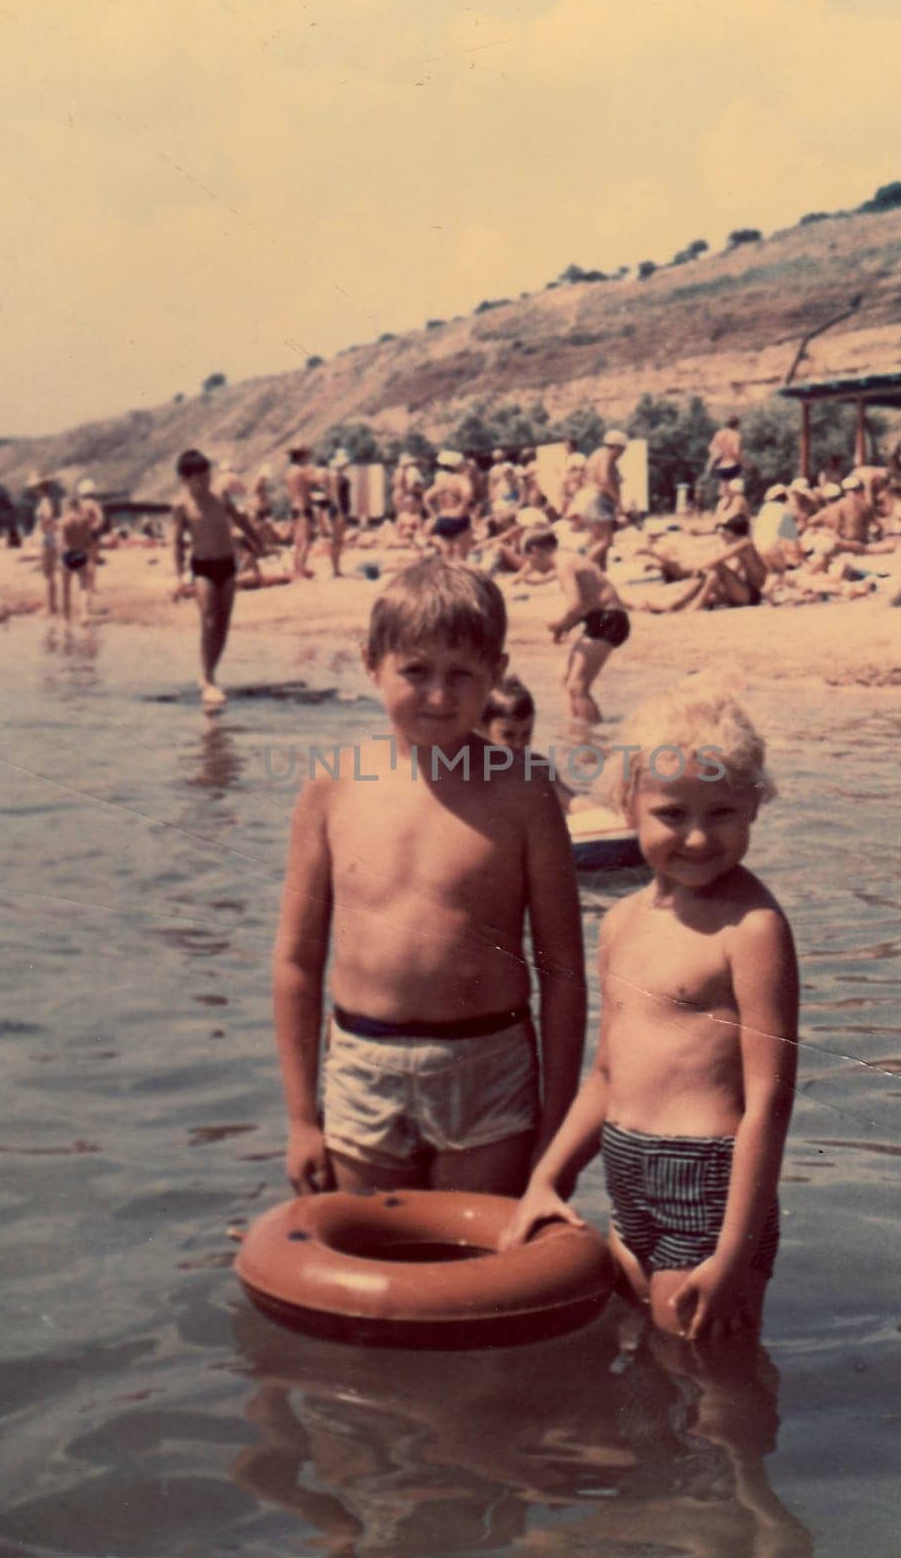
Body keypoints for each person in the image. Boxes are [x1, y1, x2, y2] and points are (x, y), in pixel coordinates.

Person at [273, 558, 586, 1198]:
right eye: (416, 671)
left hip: (488, 1065)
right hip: (363, 1065)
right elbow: (297, 962)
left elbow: (562, 971)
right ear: (372, 663)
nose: (439, 696)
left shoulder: (525, 795)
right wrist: (302, 1119)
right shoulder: (332, 787)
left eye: (461, 675)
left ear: (496, 673)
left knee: (480, 1268)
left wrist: (558, 1123)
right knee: (375, 1273)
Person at [504, 685, 797, 1343]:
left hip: (711, 1186)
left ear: (754, 804)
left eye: (721, 812)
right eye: (671, 813)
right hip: (625, 1173)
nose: (697, 836)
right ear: (625, 806)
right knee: (645, 1362)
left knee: (708, 1374)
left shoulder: (749, 930)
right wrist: (547, 1178)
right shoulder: (619, 924)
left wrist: (732, 1253)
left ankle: (740, 1449)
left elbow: (768, 1101)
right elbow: (606, 1075)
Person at [171, 447, 263, 705]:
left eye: (206, 475)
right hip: (202, 566)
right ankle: (208, 678)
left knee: (223, 622)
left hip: (227, 564)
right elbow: (177, 543)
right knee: (209, 619)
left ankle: (211, 671)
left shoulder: (220, 497)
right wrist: (179, 577)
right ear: (185, 479)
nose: (203, 481)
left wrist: (257, 541)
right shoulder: (182, 506)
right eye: (197, 477)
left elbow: (240, 519)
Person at [517, 527, 630, 723]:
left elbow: (576, 604)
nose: (530, 565)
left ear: (535, 551)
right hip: (602, 619)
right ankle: (576, 728)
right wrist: (565, 626)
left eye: (528, 559)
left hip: (609, 620)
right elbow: (587, 603)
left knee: (578, 687)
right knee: (565, 677)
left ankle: (594, 735)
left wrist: (557, 624)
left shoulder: (564, 565)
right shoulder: (570, 559)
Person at [480, 675, 577, 812]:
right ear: (483, 729)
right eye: (508, 735)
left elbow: (571, 801)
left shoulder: (538, 768)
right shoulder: (466, 770)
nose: (519, 744)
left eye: (526, 734)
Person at [578, 429, 628, 570]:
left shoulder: (596, 455)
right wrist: (618, 501)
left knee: (597, 540)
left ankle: (602, 572)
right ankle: (580, 568)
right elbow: (605, 479)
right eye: (622, 450)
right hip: (598, 500)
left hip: (588, 497)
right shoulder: (607, 456)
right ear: (617, 447)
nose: (622, 454)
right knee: (605, 541)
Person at [425, 450, 476, 559]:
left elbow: (427, 498)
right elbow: (468, 494)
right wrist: (461, 509)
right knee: (460, 558)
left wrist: (434, 515)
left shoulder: (441, 481)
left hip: (443, 519)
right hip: (458, 519)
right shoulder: (460, 479)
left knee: (446, 557)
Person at [59, 494, 98, 624]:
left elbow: (62, 542)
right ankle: (85, 615)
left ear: (68, 506)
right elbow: (88, 540)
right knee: (83, 587)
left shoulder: (64, 521)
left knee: (66, 588)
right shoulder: (84, 520)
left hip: (68, 554)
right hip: (81, 554)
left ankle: (65, 619)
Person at [285, 445, 317, 579]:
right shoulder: (303, 472)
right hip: (304, 508)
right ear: (302, 456)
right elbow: (315, 481)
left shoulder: (289, 472)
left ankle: (296, 569)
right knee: (305, 542)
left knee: (298, 542)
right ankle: (301, 571)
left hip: (294, 507)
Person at [30, 473, 59, 614]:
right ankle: (51, 606)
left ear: (39, 488)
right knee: (49, 574)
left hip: (46, 539)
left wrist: (42, 528)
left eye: (35, 487)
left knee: (48, 574)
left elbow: (48, 516)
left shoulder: (44, 501)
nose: (34, 490)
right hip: (49, 538)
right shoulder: (46, 500)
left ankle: (50, 608)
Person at [705, 417, 743, 503]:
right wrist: (744, 463)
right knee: (734, 488)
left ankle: (722, 507)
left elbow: (711, 448)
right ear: (737, 425)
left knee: (723, 488)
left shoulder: (718, 434)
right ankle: (733, 508)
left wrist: (717, 456)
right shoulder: (736, 435)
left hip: (721, 466)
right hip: (733, 465)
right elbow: (736, 452)